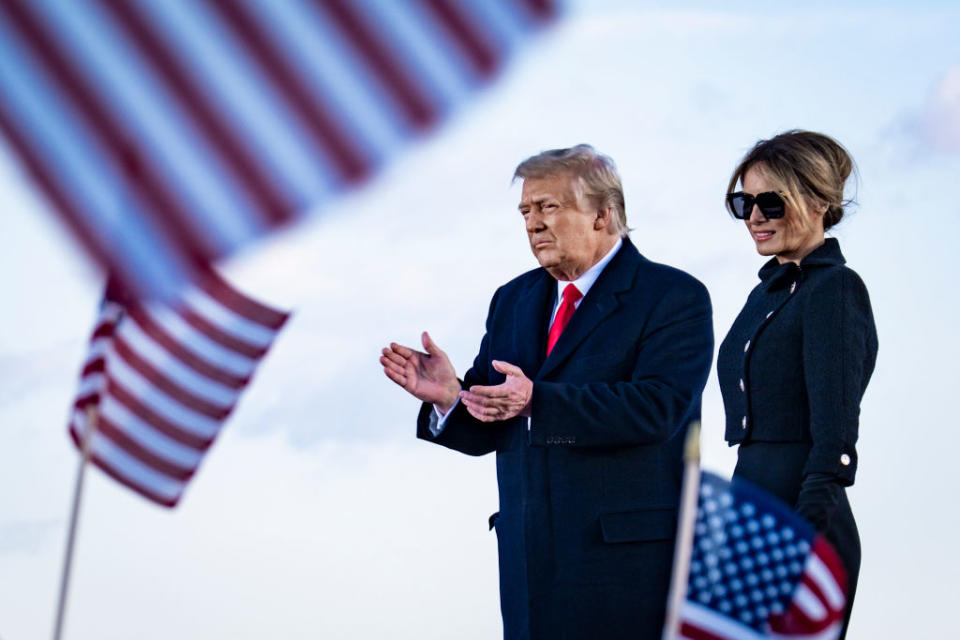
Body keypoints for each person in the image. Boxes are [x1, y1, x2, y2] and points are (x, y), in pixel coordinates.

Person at [380, 145, 713, 639]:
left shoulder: (673, 296)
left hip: (628, 569)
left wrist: (539, 401)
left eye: (549, 207)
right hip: (529, 566)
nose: (533, 224)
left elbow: (657, 409)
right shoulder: (513, 299)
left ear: (603, 215)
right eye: (526, 211)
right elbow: (494, 421)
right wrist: (449, 396)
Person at [717, 130, 878, 638]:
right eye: (743, 202)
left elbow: (833, 443)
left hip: (800, 520)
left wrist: (799, 539)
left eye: (770, 202)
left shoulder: (834, 289)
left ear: (819, 203)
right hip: (751, 512)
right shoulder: (766, 293)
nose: (754, 217)